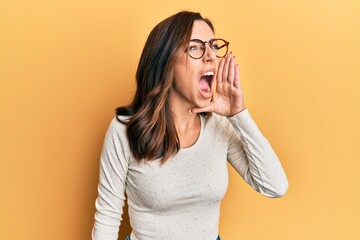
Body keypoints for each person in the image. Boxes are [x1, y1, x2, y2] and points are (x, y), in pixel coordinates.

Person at [92, 11, 288, 240]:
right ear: (165, 62)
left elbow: (275, 186)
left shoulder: (220, 126)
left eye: (213, 46)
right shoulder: (124, 130)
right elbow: (107, 215)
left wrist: (239, 115)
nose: (210, 56)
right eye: (195, 47)